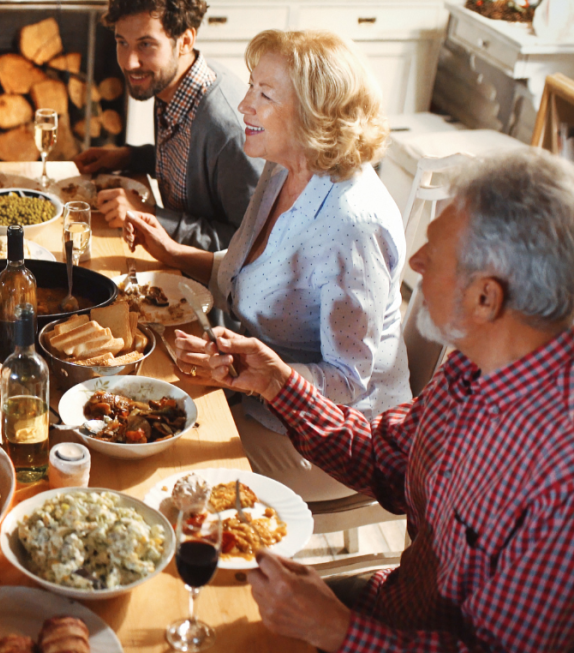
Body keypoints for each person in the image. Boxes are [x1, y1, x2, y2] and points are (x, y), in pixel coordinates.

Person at [184, 150, 574, 652]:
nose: (414, 262)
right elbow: (385, 458)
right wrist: (278, 384)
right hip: (392, 605)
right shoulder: (473, 366)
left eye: (434, 253)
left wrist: (338, 631)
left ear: (485, 298)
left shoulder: (558, 478)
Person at [131, 29, 410, 502]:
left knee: (162, 458)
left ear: (315, 111)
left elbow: (346, 380)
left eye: (264, 93)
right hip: (261, 394)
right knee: (139, 405)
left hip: (332, 439)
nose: (244, 105)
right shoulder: (283, 167)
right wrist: (175, 255)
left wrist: (254, 374)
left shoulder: (351, 223)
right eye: (249, 87)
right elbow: (254, 272)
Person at [73, 0, 262, 252]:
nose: (129, 62)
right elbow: (187, 166)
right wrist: (128, 157)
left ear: (185, 42)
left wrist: (149, 215)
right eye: (122, 43)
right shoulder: (171, 83)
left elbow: (250, 245)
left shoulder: (228, 131)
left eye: (146, 44)